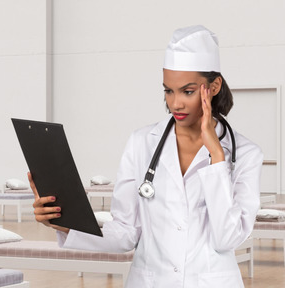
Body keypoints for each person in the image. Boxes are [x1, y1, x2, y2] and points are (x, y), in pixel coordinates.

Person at [29, 25, 263, 288]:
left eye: (187, 91)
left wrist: (217, 157)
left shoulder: (245, 154)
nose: (176, 103)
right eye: (168, 90)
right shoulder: (141, 143)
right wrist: (64, 225)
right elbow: (125, 233)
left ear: (214, 86)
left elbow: (227, 239)